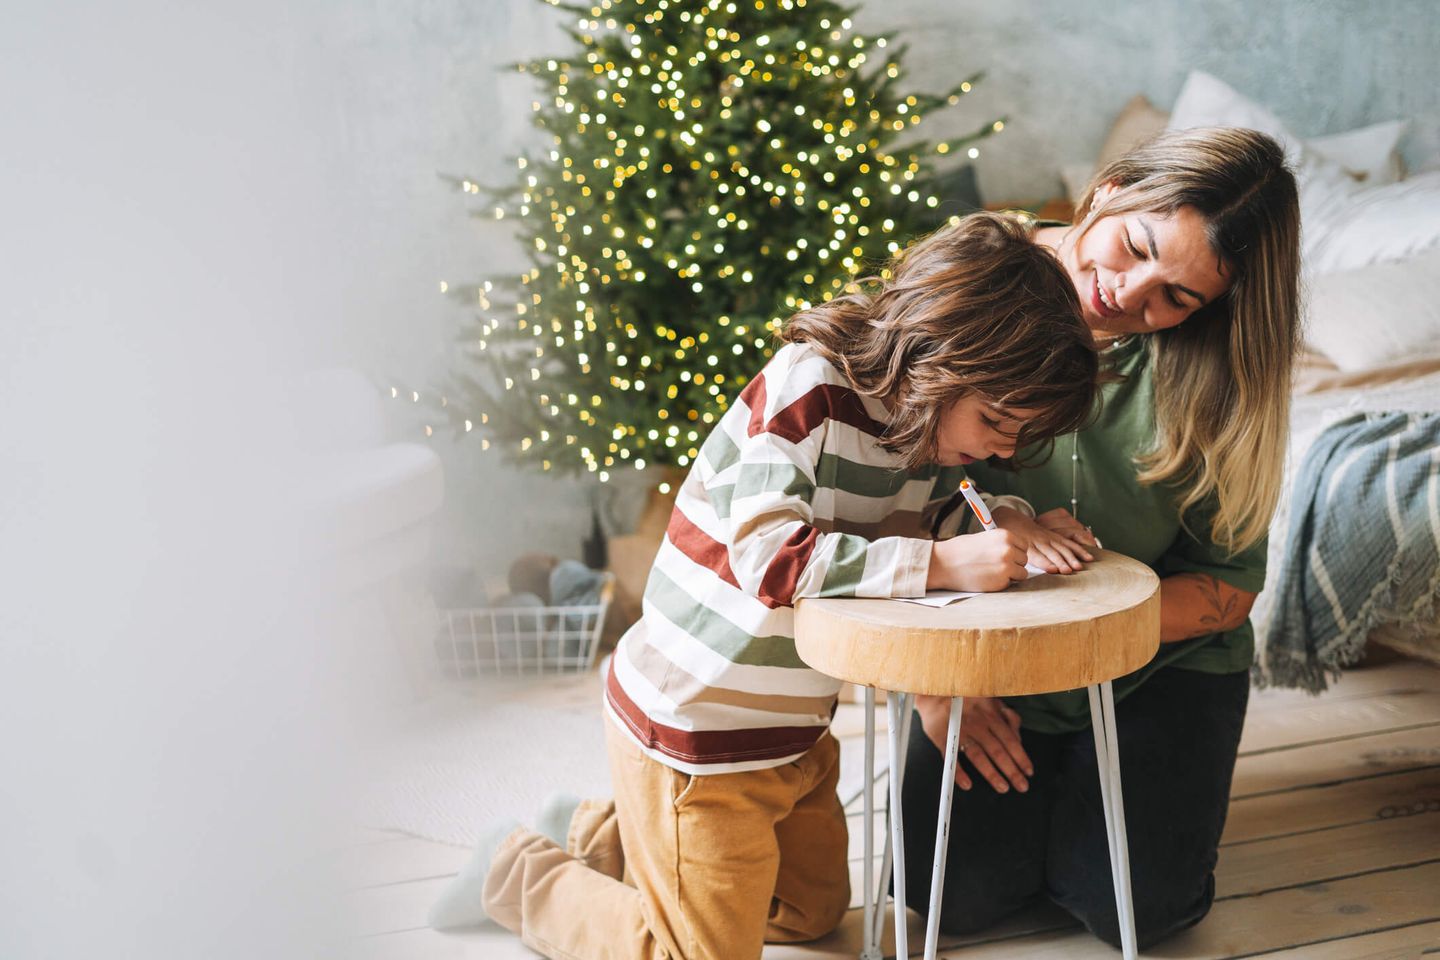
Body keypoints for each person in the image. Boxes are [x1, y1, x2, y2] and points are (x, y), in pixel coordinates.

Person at [428, 211, 1102, 959]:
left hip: (792, 735)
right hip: (696, 732)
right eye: (997, 421)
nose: (1003, 447)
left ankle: (602, 834)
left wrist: (1009, 520)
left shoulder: (928, 433)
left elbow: (933, 523)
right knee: (691, 953)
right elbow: (774, 560)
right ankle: (518, 871)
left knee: (811, 915)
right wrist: (944, 564)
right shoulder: (807, 387)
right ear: (937, 357)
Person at [898, 127, 1302, 950]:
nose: (1128, 295)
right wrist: (940, 690)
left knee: (1134, 911)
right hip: (981, 654)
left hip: (1159, 666)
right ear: (1110, 189)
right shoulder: (973, 276)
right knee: (948, 896)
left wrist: (1069, 641)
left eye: (1177, 297)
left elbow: (1226, 586)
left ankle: (1099, 817)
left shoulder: (1219, 371)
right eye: (1135, 248)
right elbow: (888, 501)